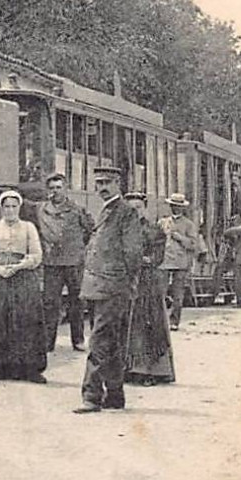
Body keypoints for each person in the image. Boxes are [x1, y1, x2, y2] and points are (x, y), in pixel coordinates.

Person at [74, 164, 146, 414]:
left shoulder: (125, 212)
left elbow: (134, 253)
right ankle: (115, 395)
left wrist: (124, 282)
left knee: (98, 341)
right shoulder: (105, 210)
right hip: (98, 286)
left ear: (118, 184)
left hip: (113, 286)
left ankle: (91, 396)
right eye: (98, 183)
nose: (102, 187)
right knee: (111, 342)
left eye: (107, 182)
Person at [0, 189, 48, 382]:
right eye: (6, 207)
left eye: (14, 206)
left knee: (24, 318)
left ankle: (29, 368)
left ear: (19, 208)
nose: (10, 210)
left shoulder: (28, 227)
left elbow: (36, 255)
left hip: (22, 278)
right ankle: (0, 367)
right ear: (0, 208)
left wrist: (19, 266)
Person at [35, 171, 94, 352]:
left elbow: (91, 228)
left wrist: (79, 247)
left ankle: (78, 340)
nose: (55, 191)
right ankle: (47, 342)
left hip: (74, 261)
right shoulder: (41, 209)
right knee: (50, 302)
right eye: (52, 188)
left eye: (59, 187)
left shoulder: (76, 209)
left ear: (66, 189)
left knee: (77, 302)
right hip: (52, 262)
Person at [123, 191, 175, 386]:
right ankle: (128, 368)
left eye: (138, 208)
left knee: (148, 326)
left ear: (144, 209)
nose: (134, 212)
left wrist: (140, 260)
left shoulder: (154, 231)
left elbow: (156, 258)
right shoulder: (122, 229)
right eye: (130, 209)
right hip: (126, 282)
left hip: (147, 284)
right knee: (126, 326)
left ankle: (151, 371)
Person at [159, 192, 202, 329]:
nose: (175, 208)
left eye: (178, 206)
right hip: (164, 262)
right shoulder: (162, 222)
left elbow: (194, 244)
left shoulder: (188, 225)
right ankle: (161, 321)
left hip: (181, 263)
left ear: (183, 208)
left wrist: (180, 238)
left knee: (178, 294)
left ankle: (174, 321)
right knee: (160, 292)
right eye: (173, 206)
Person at [212, 211, 241, 308]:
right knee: (220, 270)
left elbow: (230, 232)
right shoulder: (239, 231)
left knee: (238, 280)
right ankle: (215, 291)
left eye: (233, 220)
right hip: (235, 257)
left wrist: (224, 231)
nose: (232, 222)